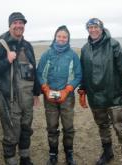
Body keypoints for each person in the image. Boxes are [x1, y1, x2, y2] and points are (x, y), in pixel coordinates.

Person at [0, 12, 40, 165]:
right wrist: (6, 61)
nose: (19, 25)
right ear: (10, 25)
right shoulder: (0, 46)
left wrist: (36, 93)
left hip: (27, 98)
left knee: (26, 129)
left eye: (22, 23)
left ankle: (25, 158)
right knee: (11, 134)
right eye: (16, 22)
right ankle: (11, 161)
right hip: (10, 99)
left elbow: (34, 70)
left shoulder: (27, 46)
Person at [78, 18, 122, 165]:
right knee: (102, 126)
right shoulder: (85, 49)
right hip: (95, 97)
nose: (93, 30)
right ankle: (107, 152)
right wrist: (82, 90)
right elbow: (84, 72)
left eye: (95, 27)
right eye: (90, 27)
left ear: (102, 28)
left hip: (114, 96)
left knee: (121, 128)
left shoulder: (113, 45)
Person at [37, 25, 82, 165]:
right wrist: (45, 89)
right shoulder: (47, 54)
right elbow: (39, 73)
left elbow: (78, 75)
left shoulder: (73, 55)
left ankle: (69, 154)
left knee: (68, 127)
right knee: (52, 127)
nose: (61, 39)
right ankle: (53, 154)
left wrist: (67, 90)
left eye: (64, 37)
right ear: (55, 37)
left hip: (67, 97)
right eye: (59, 36)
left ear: (68, 39)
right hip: (49, 97)